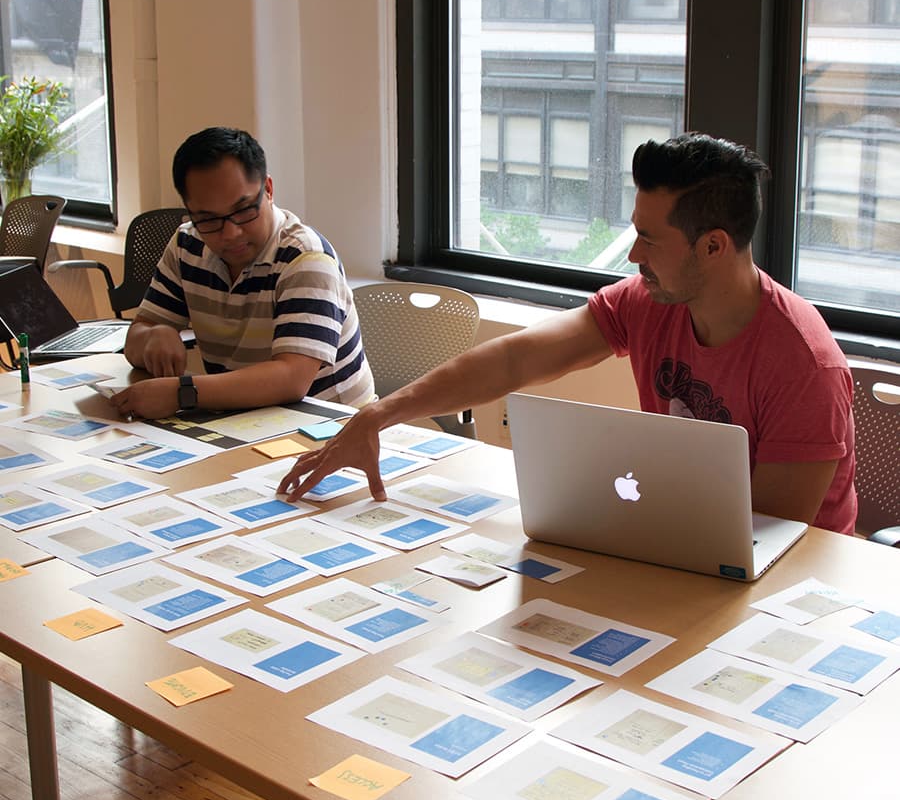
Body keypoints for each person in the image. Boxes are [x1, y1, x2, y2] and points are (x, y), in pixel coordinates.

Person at [278, 132, 857, 535]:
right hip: (688, 539)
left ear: (713, 246)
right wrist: (379, 414)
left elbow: (774, 535)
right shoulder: (650, 302)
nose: (634, 255)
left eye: (651, 240)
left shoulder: (804, 364)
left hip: (798, 586)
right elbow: (514, 362)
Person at [110, 126, 374, 420]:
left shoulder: (304, 257)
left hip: (331, 424)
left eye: (244, 210)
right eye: (208, 219)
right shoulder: (187, 244)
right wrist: (153, 336)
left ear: (269, 190)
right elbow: (136, 336)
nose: (231, 232)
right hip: (246, 418)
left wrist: (182, 393)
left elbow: (292, 378)